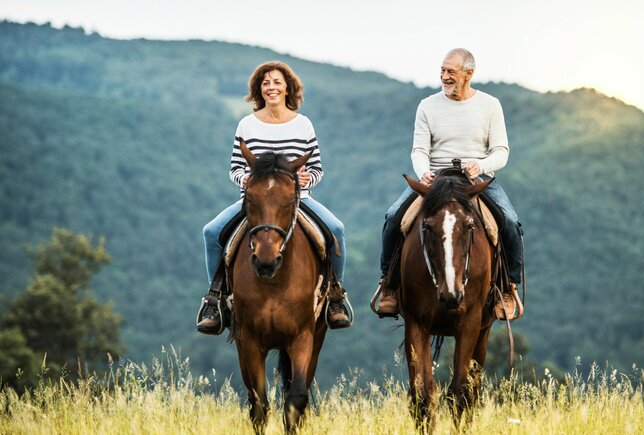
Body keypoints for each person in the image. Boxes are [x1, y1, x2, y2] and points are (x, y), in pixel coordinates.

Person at [197, 61, 350, 333]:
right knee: (212, 232)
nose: (271, 87)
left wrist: (306, 179)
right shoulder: (247, 124)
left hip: (297, 200)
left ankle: (335, 295)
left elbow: (316, 168)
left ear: (288, 87)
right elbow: (234, 167)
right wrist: (243, 179)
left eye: (277, 82)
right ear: (259, 89)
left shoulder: (303, 125)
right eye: (266, 83)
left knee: (336, 229)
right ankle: (216, 298)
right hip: (255, 201)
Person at [375, 48, 524, 318]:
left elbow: (501, 150)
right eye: (442, 70)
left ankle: (508, 288)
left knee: (510, 221)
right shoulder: (427, 106)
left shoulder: (490, 105)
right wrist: (423, 172)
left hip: (474, 179)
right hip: (436, 179)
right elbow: (419, 149)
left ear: (469, 74)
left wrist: (481, 165)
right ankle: (389, 285)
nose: (444, 76)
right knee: (394, 216)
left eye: (450, 72)